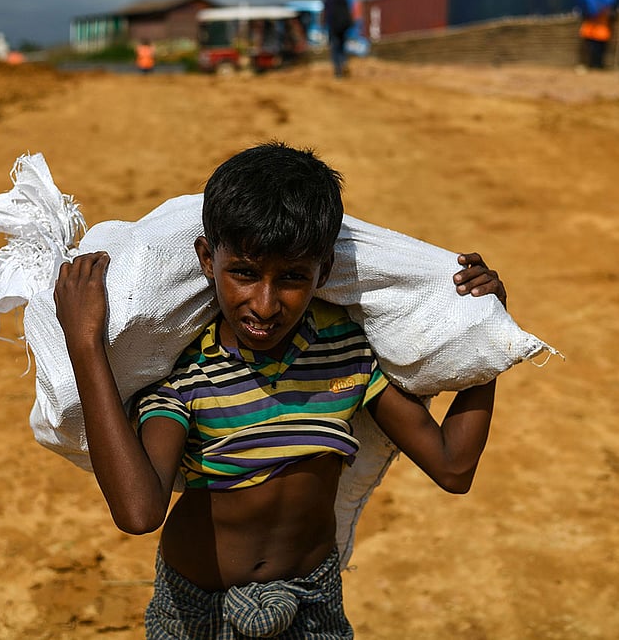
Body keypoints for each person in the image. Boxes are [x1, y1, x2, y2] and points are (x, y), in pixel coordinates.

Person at [54, 142, 508, 638]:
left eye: (292, 278)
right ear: (208, 260)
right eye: (244, 273)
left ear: (325, 271)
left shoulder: (347, 353)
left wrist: (484, 330)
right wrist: (85, 344)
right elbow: (139, 513)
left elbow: (453, 466)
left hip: (312, 605)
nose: (265, 305)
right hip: (197, 614)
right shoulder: (188, 375)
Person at [323, 0, 353, 77]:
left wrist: (324, 25)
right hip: (343, 27)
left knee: (335, 49)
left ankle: (338, 70)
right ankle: (344, 63)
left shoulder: (328, 0)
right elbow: (348, 12)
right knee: (342, 47)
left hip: (334, 28)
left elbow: (325, 15)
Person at [580, 5, 613, 69]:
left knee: (596, 51)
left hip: (597, 33)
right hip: (595, 32)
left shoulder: (590, 7)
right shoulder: (605, 7)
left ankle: (595, 65)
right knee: (595, 51)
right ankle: (594, 64)